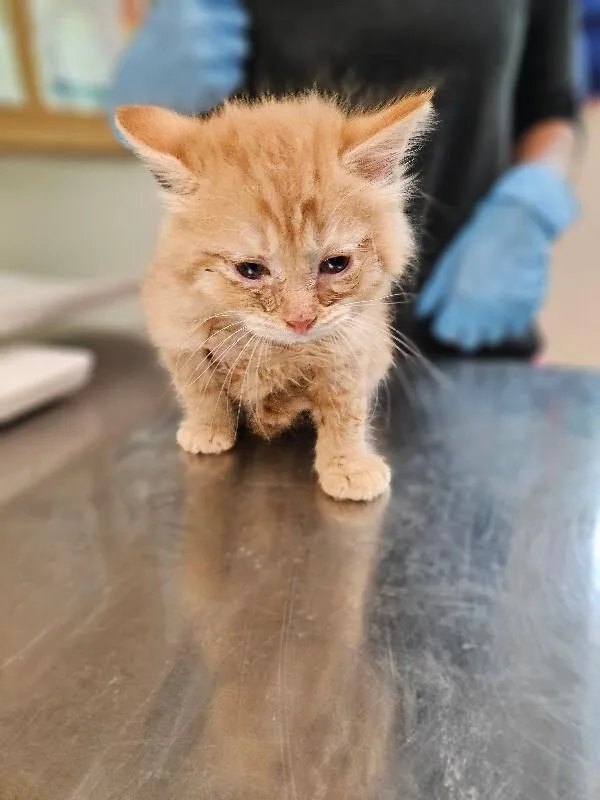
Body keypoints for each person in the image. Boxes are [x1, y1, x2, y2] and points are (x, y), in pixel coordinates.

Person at [110, 0, 580, 358]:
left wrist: (529, 205)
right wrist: (154, 83)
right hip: (264, 340)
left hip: (468, 311)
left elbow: (550, 105)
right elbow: (174, 134)